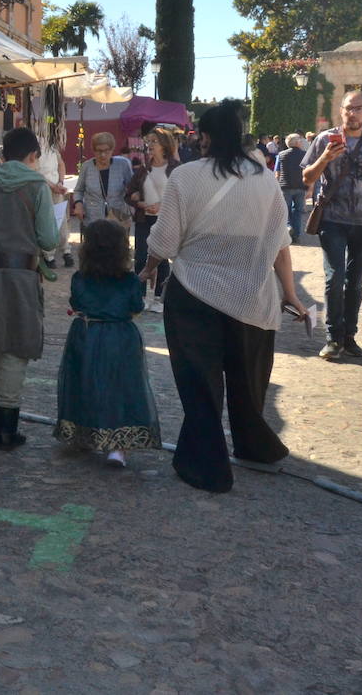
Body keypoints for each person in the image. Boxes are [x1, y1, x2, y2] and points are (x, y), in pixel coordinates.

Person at [141, 99, 306, 493]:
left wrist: (148, 267)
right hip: (251, 294)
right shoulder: (266, 178)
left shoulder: (186, 177)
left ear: (207, 136)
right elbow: (279, 242)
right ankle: (255, 449)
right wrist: (290, 292)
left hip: (194, 293)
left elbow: (164, 241)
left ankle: (206, 465)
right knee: (249, 383)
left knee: (200, 383)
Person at [0, 127, 58, 449]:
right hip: (20, 278)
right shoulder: (37, 186)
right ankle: (7, 429)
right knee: (15, 349)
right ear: (32, 155)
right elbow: (47, 238)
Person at [55, 218, 162, 467]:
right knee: (122, 389)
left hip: (86, 334)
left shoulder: (80, 279)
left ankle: (83, 434)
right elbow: (135, 307)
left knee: (84, 383)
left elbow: (77, 304)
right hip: (121, 338)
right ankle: (118, 448)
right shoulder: (128, 281)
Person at [302, 89, 362, 360]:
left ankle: (349, 336)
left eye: (358, 108)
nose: (352, 113)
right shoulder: (325, 139)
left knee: (354, 282)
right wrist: (325, 158)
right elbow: (307, 177)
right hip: (332, 219)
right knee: (334, 277)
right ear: (340, 111)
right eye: (348, 108)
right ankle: (332, 337)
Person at [124, 128, 179, 313]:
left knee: (162, 259)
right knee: (140, 257)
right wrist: (137, 201)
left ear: (164, 145)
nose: (149, 146)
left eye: (154, 142)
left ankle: (159, 298)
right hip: (143, 220)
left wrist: (162, 206)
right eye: (148, 142)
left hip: (165, 220)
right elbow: (128, 193)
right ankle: (140, 296)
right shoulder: (143, 170)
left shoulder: (176, 169)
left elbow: (181, 196)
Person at [71, 132, 133, 232]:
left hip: (118, 218)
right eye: (99, 151)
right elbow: (78, 190)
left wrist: (132, 206)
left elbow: (132, 188)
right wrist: (78, 205)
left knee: (118, 247)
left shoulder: (122, 165)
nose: (103, 155)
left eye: (106, 150)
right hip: (93, 219)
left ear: (112, 149)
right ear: (93, 150)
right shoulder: (87, 166)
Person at [36, 138, 71, 268]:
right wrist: (52, 186)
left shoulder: (52, 148)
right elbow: (36, 172)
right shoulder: (34, 148)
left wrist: (60, 182)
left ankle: (66, 250)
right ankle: (49, 255)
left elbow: (61, 164)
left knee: (60, 219)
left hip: (56, 188)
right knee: (46, 220)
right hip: (43, 188)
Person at [275, 134, 308, 242]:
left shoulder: (281, 155)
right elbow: (307, 171)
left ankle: (288, 227)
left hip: (285, 186)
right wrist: (310, 187)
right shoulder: (304, 154)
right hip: (300, 186)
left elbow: (277, 173)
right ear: (297, 143)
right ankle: (296, 234)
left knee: (285, 210)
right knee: (298, 211)